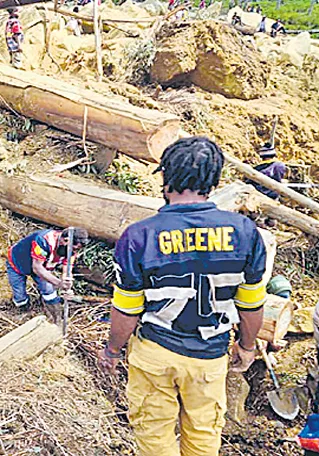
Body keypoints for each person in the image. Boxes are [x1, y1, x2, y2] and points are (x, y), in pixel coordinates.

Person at [98, 137, 268, 456]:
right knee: (204, 433)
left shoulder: (140, 236)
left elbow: (127, 307)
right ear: (214, 181)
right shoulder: (244, 232)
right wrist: (247, 346)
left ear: (166, 178)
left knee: (153, 431)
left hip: (155, 351)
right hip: (209, 355)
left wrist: (113, 349)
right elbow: (251, 303)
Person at [6, 227, 88, 311]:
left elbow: (67, 270)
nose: (75, 252)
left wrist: (67, 286)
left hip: (43, 267)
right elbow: (37, 268)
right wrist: (59, 283)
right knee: (20, 296)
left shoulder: (71, 250)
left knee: (49, 291)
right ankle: (24, 311)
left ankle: (54, 314)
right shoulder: (43, 241)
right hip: (18, 263)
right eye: (75, 249)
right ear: (66, 240)